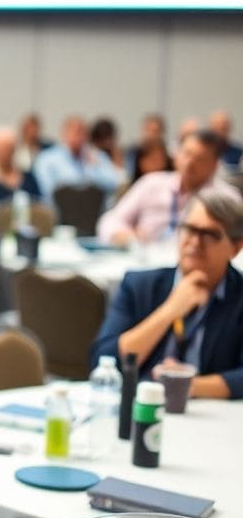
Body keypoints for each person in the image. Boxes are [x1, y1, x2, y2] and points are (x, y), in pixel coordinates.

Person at [91, 189, 243, 399]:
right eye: (189, 229)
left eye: (209, 235)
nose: (194, 243)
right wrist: (170, 310)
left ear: (236, 247)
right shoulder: (140, 285)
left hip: (213, 416)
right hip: (141, 408)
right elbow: (105, 360)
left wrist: (186, 384)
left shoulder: (239, 297)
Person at [97, 130, 240, 246]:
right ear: (176, 155)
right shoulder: (152, 183)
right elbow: (110, 220)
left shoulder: (227, 198)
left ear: (214, 165)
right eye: (187, 154)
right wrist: (129, 237)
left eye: (199, 158)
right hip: (145, 259)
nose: (190, 163)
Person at [31, 116, 124, 200]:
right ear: (64, 133)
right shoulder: (47, 159)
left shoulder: (96, 156)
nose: (79, 136)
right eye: (75, 131)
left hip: (95, 211)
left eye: (82, 132)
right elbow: (48, 192)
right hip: (62, 213)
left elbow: (115, 183)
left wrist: (93, 169)